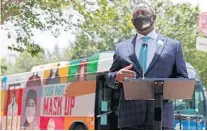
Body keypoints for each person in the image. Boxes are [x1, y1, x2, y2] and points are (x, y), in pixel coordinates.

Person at [106, 2, 188, 130]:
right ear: (132, 20)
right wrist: (116, 76)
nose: (139, 16)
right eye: (136, 14)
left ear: (153, 18)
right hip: (130, 119)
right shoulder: (121, 48)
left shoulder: (173, 46)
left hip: (161, 118)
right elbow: (109, 78)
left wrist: (163, 88)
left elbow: (183, 78)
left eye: (144, 13)